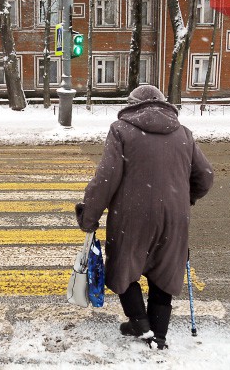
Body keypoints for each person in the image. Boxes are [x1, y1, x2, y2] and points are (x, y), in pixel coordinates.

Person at [76, 85, 213, 349]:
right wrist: (186, 198)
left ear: (132, 105)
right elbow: (205, 176)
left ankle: (140, 324)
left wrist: (89, 216)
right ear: (164, 104)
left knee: (124, 268)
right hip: (174, 216)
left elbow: (106, 178)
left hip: (132, 215)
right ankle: (158, 334)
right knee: (165, 269)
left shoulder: (122, 130)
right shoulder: (183, 133)